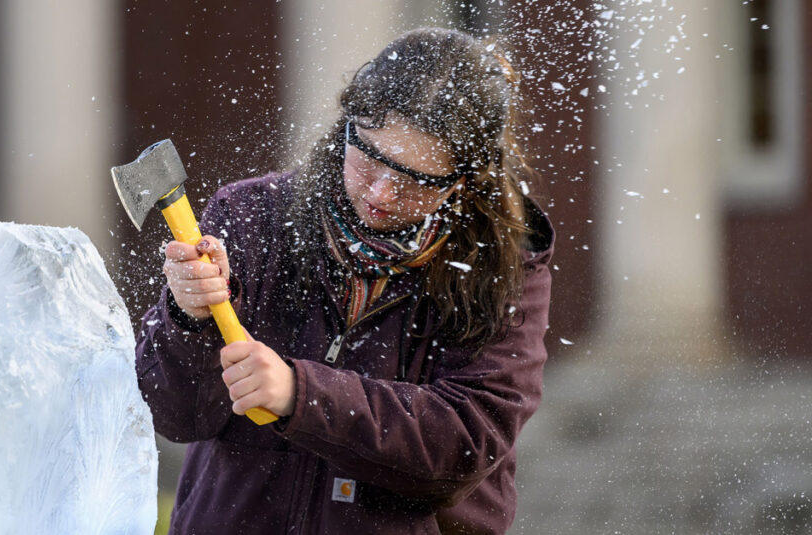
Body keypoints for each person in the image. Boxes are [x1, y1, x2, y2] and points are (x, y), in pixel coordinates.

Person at [136, 27, 554, 534]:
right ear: (347, 127)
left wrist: (302, 394)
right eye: (372, 156)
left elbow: (466, 443)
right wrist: (189, 317)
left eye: (417, 178)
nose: (383, 190)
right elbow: (175, 415)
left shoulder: (505, 269)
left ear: (466, 179)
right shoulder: (251, 214)